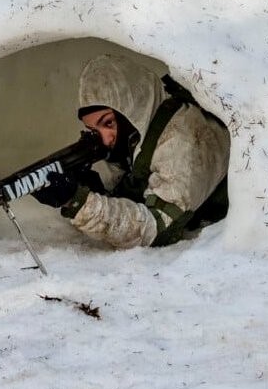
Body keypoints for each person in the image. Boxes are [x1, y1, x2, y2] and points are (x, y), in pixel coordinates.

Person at [32, 54, 230, 248]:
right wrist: (97, 192)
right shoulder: (137, 132)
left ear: (133, 110)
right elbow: (138, 196)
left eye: (108, 123)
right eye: (93, 130)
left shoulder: (182, 139)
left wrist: (79, 202)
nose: (105, 139)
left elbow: (158, 229)